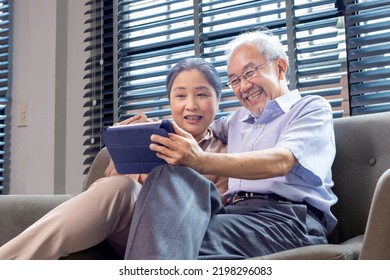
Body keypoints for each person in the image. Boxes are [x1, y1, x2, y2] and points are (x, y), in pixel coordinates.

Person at [124, 29, 338, 259]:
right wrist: (147, 129)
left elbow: (281, 161)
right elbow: (194, 127)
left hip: (288, 219)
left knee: (168, 236)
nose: (243, 86)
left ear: (280, 68)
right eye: (235, 80)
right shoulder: (236, 120)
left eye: (249, 73)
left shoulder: (311, 108)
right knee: (168, 181)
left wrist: (201, 160)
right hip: (233, 215)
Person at [0, 58, 227, 259]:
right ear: (170, 101)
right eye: (180, 95)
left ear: (218, 99)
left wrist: (167, 182)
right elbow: (111, 180)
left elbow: (222, 205)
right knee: (120, 187)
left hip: (179, 229)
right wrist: (125, 145)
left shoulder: (226, 150)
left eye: (202, 94)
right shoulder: (149, 135)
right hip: (128, 223)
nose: (191, 105)